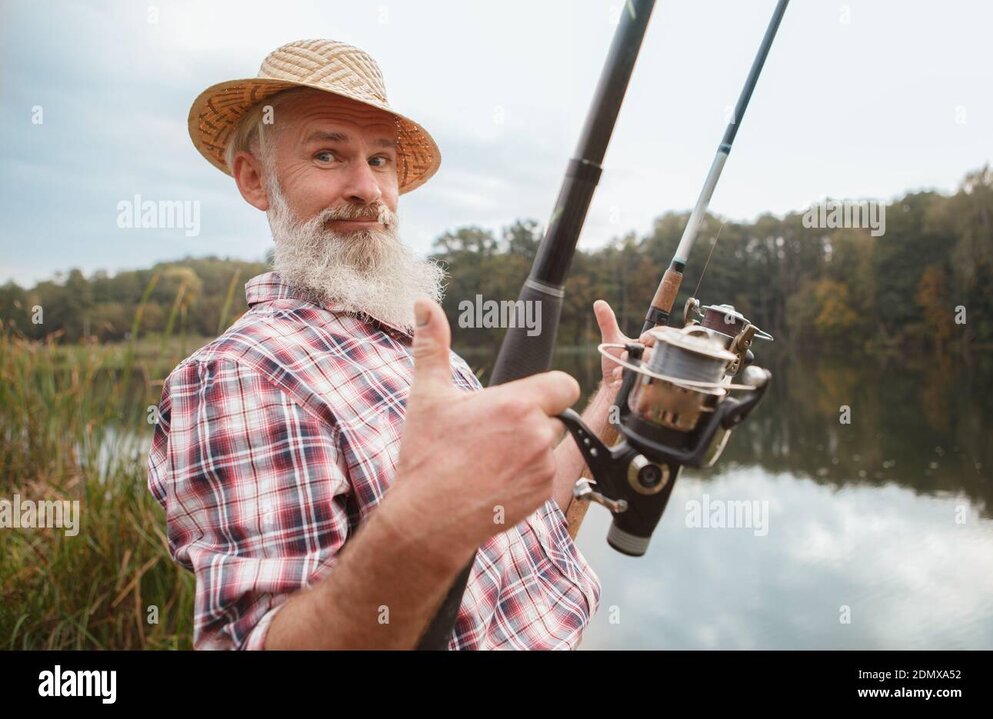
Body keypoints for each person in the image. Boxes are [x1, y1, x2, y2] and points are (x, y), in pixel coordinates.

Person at [148, 39, 633, 650]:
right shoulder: (242, 375)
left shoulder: (409, 337)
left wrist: (614, 399)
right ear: (254, 178)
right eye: (329, 154)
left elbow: (515, 534)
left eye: (380, 161)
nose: (367, 188)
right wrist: (426, 521)